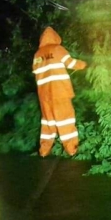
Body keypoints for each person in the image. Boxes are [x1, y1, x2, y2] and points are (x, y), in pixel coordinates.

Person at [32, 26, 88, 157]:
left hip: (43, 95)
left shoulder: (37, 55)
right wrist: (84, 65)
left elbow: (36, 72)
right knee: (65, 119)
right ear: (56, 38)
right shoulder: (57, 49)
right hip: (59, 92)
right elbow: (70, 63)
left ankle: (44, 149)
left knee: (48, 122)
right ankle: (71, 148)